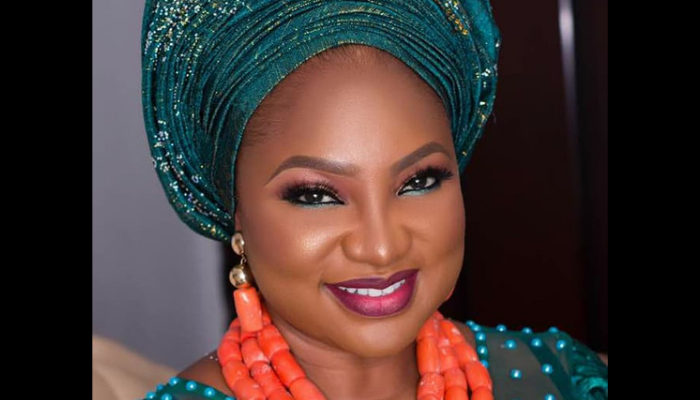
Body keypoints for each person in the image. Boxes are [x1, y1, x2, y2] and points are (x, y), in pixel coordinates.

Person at [140, 0, 608, 399]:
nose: (382, 248)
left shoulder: (565, 380)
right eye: (316, 195)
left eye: (419, 181)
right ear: (236, 209)